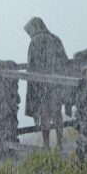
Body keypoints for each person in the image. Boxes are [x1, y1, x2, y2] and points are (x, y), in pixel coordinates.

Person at [24, 17, 70, 150]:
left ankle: (46, 145)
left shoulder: (35, 42)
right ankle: (60, 144)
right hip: (56, 85)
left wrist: (34, 82)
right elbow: (64, 61)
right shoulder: (55, 39)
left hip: (41, 87)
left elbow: (31, 65)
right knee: (57, 114)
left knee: (44, 115)